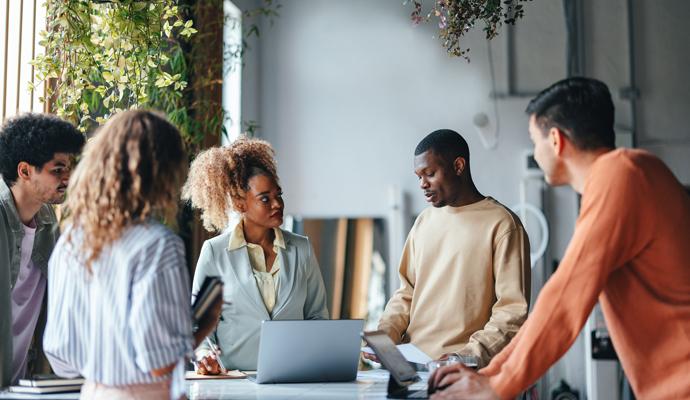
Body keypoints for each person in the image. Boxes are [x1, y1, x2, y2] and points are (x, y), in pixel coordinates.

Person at [430, 77, 690, 399]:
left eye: (534, 141)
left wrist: (497, 386)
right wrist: (488, 375)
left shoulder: (620, 175)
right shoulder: (634, 171)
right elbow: (558, 298)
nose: (535, 153)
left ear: (555, 140)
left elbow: (566, 293)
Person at [43, 110, 221, 399]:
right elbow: (160, 364)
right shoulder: (158, 245)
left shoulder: (71, 241)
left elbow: (61, 356)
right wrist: (206, 322)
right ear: (164, 174)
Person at [371, 129, 531, 368]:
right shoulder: (423, 223)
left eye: (430, 174)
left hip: (466, 371)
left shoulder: (503, 224)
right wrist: (383, 338)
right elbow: (406, 293)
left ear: (458, 166)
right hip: (411, 367)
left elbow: (512, 312)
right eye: (419, 177)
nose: (423, 184)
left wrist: (467, 356)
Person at [182, 137, 329, 373]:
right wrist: (205, 356)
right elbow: (199, 327)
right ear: (240, 204)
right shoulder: (215, 253)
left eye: (278, 195)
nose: (277, 204)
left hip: (293, 378)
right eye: (265, 198)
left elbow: (317, 317)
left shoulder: (302, 249)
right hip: (234, 382)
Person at [0, 113, 84, 387]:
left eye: (69, 167)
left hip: (22, 386)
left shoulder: (49, 225)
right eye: (57, 169)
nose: (67, 177)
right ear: (25, 171)